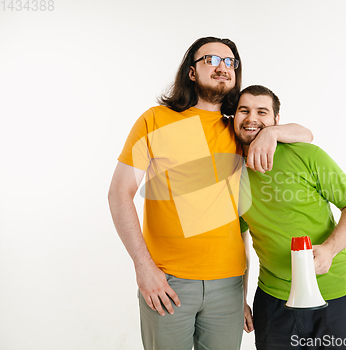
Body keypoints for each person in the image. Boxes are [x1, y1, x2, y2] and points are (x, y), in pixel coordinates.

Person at [107, 37, 313, 350]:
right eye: (212, 60)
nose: (223, 67)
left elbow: (306, 134)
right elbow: (120, 193)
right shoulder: (155, 120)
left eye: (230, 62)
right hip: (167, 282)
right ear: (191, 72)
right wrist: (144, 269)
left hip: (229, 287)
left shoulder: (239, 129)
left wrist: (270, 132)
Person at [235, 85, 346, 350]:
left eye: (262, 112)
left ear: (276, 120)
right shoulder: (232, 172)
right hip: (274, 303)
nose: (252, 118)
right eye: (244, 110)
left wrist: (330, 250)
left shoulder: (308, 155)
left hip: (334, 295)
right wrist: (240, 298)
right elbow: (240, 240)